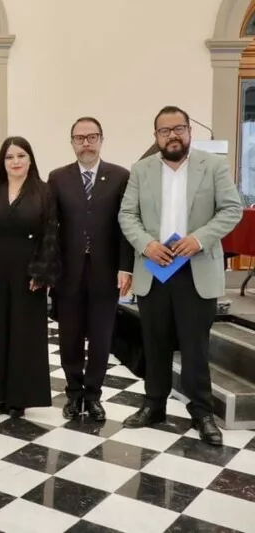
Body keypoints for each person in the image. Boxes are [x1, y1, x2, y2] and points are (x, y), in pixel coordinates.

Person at [118, 106, 242, 446]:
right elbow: (127, 214)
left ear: (189, 131)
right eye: (164, 130)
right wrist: (146, 245)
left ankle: (201, 412)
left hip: (195, 269)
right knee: (154, 342)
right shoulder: (141, 170)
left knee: (195, 345)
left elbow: (231, 208)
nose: (172, 135)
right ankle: (154, 405)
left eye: (179, 129)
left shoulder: (213, 166)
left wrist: (199, 239)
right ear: (156, 136)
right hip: (154, 268)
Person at [48, 117, 134, 421]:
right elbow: (50, 227)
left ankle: (94, 396)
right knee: (69, 335)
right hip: (68, 271)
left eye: (92, 137)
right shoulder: (57, 178)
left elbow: (126, 226)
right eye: (80, 138)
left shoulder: (121, 176)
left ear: (101, 139)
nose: (86, 143)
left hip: (106, 270)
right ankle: (73, 395)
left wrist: (126, 267)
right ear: (71, 142)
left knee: (101, 336)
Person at [0, 136, 60, 418]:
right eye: (9, 157)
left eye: (21, 155)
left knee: (25, 333)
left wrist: (42, 271)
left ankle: (20, 396)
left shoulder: (43, 192)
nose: (15, 161)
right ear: (3, 162)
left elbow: (50, 234)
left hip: (28, 272)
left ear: (30, 159)